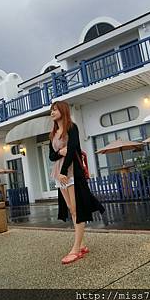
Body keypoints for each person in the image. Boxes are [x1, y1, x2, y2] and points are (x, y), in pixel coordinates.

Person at [49, 100, 106, 264]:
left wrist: (63, 170)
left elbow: (73, 149)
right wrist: (60, 151)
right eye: (51, 110)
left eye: (55, 109)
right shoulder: (53, 133)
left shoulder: (71, 128)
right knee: (72, 210)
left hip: (71, 172)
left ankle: (76, 249)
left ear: (63, 111)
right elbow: (51, 156)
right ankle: (82, 244)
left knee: (77, 209)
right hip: (59, 175)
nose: (52, 112)